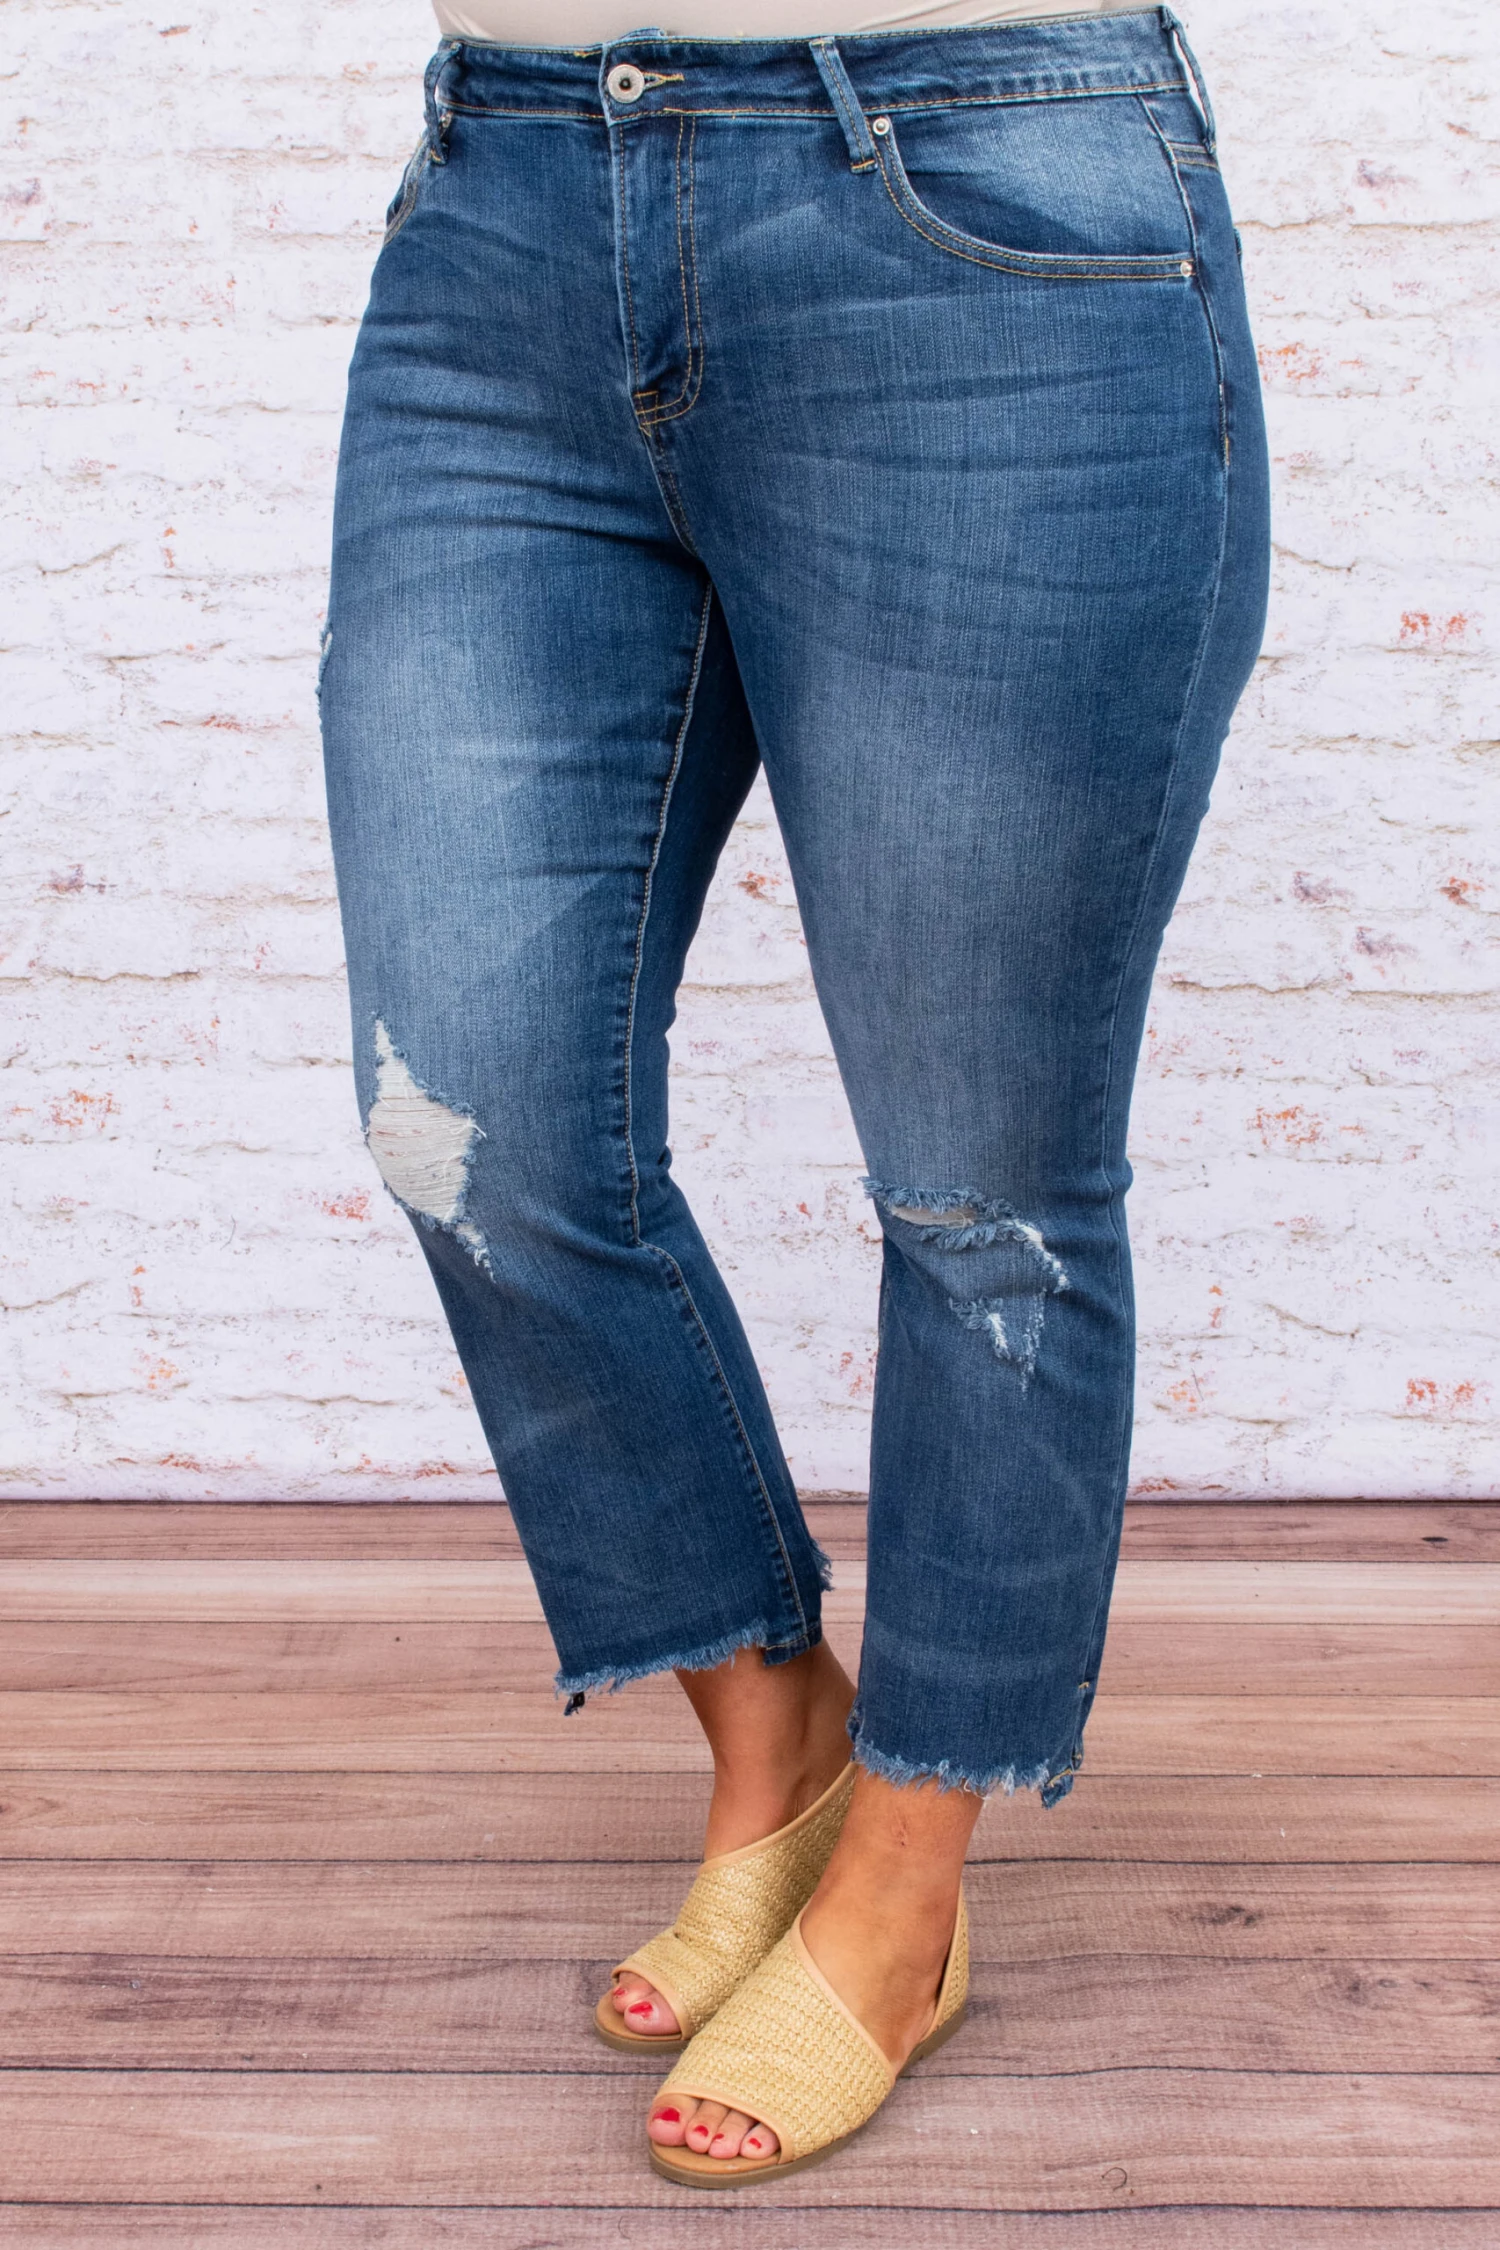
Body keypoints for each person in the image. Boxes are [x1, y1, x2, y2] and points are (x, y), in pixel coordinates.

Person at [319, 0, 1268, 2184]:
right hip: (504, 207)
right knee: (469, 1121)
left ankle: (906, 1880)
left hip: (982, 212)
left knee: (982, 1190)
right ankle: (779, 1738)